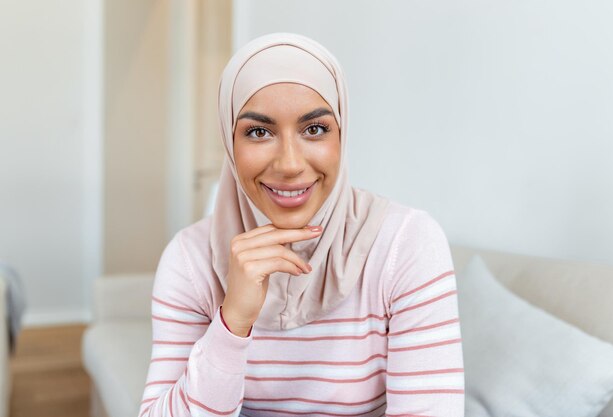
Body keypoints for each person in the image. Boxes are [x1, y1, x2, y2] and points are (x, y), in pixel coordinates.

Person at [139, 33, 464, 417]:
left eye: (315, 129)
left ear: (342, 135)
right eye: (259, 132)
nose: (290, 164)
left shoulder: (406, 244)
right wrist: (232, 322)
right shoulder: (190, 259)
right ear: (230, 142)